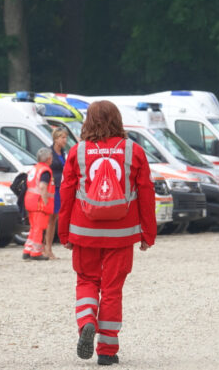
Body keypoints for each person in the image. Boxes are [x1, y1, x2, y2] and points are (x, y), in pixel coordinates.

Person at [59, 100, 157, 366]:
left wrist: (64, 233)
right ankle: (107, 351)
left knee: (87, 280)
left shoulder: (77, 152)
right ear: (118, 120)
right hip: (121, 233)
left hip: (84, 231)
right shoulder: (133, 151)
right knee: (113, 289)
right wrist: (148, 232)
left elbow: (66, 194)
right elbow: (147, 193)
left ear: (88, 121)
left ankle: (87, 321)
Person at [22, 147, 54, 261]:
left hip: (30, 200)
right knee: (39, 228)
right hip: (39, 202)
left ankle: (27, 250)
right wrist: (45, 201)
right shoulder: (45, 170)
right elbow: (42, 186)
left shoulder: (34, 168)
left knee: (33, 227)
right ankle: (36, 253)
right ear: (49, 158)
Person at [44, 127, 68, 259]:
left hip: (60, 187)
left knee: (54, 218)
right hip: (51, 188)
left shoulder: (62, 152)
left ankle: (48, 247)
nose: (65, 140)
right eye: (63, 138)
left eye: (65, 138)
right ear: (56, 139)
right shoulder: (50, 152)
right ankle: (46, 248)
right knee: (49, 219)